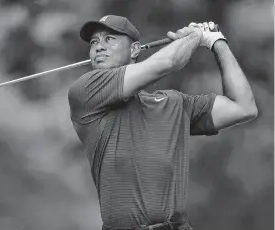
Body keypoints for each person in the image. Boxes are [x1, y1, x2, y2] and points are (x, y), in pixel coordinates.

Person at [68, 15, 258, 230]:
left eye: (109, 39)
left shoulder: (173, 102)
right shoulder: (85, 91)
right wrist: (197, 35)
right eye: (94, 42)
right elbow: (168, 62)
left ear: (135, 50)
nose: (98, 47)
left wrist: (216, 42)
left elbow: (243, 107)